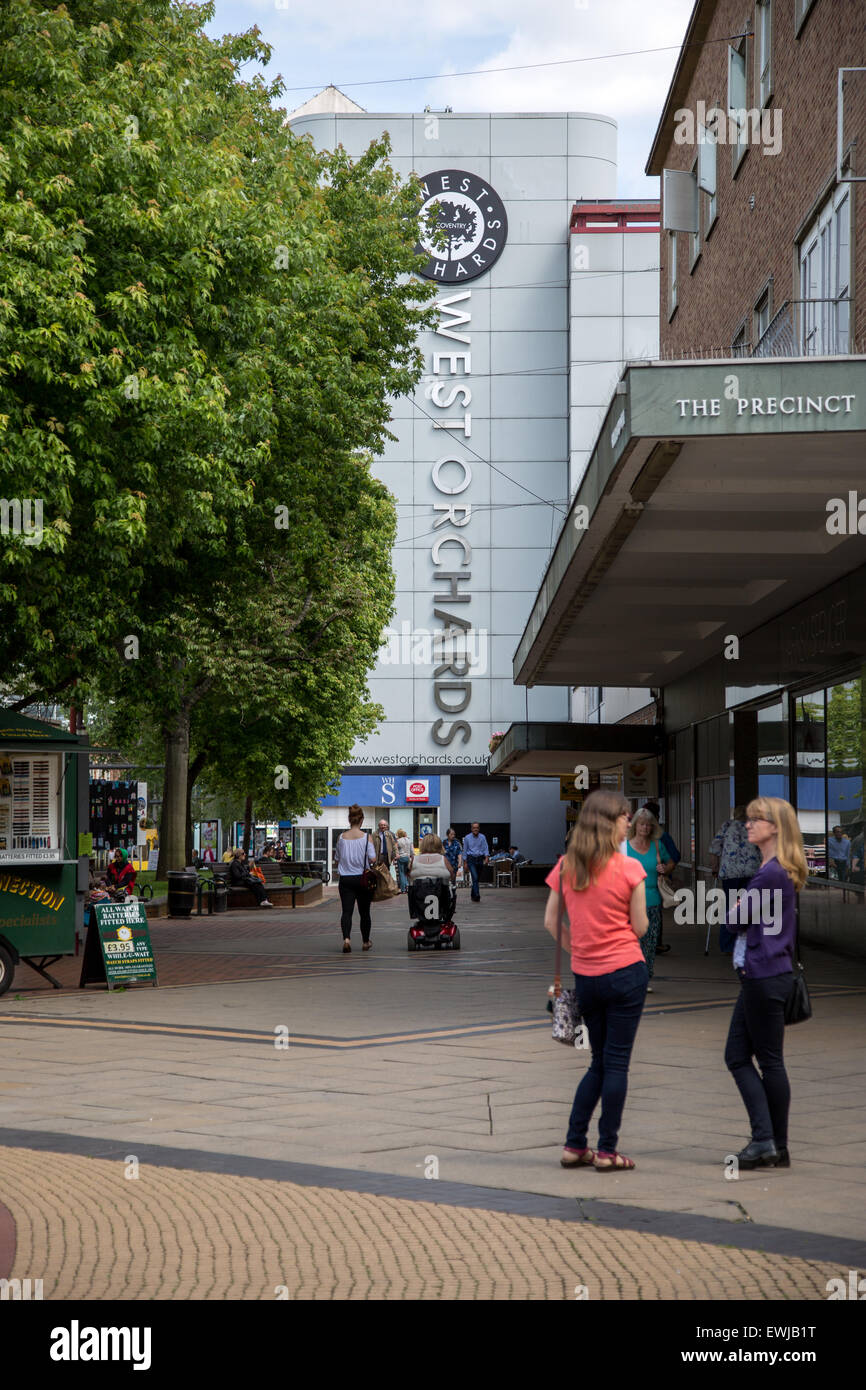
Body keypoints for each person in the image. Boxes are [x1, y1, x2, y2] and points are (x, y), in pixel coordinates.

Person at [543, 790, 648, 1172]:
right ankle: (607, 1150)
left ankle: (574, 1145)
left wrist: (578, 949)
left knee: (598, 1063)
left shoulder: (569, 866)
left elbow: (550, 921)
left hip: (586, 977)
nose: (630, 823)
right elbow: (639, 927)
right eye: (625, 817)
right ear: (611, 821)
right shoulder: (631, 869)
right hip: (625, 973)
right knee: (617, 1063)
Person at [723, 797, 807, 1170]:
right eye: (748, 819)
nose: (747, 825)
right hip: (769, 974)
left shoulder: (771, 873)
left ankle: (765, 1141)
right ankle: (775, 1145)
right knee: (752, 1058)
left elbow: (735, 921)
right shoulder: (776, 869)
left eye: (756, 820)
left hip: (763, 975)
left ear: (775, 827)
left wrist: (737, 907)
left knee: (756, 1059)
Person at [625, 807, 672, 991]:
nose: (645, 828)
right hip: (628, 902)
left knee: (649, 943)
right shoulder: (625, 846)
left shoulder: (657, 845)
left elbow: (670, 861)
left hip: (652, 900)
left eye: (648, 825)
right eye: (642, 824)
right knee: (630, 943)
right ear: (635, 825)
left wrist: (665, 869)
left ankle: (644, 978)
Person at [709, 807, 762, 953]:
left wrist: (714, 867)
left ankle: (727, 945)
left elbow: (714, 848)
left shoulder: (727, 826)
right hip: (751, 872)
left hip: (730, 873)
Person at [335, 805, 377, 953]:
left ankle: (347, 939)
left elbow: (337, 859)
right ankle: (365, 941)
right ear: (362, 819)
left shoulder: (341, 837)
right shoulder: (367, 838)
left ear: (349, 819)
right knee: (364, 912)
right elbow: (373, 858)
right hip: (362, 879)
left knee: (347, 911)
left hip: (345, 879)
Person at [643, 801, 679, 955]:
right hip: (656, 879)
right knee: (654, 911)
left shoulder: (633, 838)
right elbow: (675, 856)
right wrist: (666, 870)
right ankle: (655, 942)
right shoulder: (662, 836)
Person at [462, 822, 489, 902]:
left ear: (479, 828)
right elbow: (465, 850)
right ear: (471, 829)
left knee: (476, 879)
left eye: (477, 827)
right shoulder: (467, 838)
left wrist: (487, 857)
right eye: (474, 828)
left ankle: (473, 895)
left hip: (480, 859)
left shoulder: (482, 837)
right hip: (471, 859)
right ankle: (477, 895)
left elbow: (485, 847)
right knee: (475, 877)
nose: (475, 829)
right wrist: (465, 862)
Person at [394, 828, 414, 892]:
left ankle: (403, 889)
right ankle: (407, 886)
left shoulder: (398, 841)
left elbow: (395, 849)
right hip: (407, 858)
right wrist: (412, 857)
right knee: (406, 873)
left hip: (401, 857)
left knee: (401, 873)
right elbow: (412, 851)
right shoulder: (409, 840)